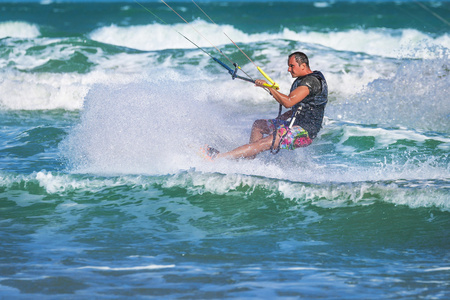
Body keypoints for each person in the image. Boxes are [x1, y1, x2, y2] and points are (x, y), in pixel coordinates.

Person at [202, 51, 328, 160]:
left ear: (303, 65)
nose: (289, 69)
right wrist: (283, 117)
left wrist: (268, 87)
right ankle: (249, 157)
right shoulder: (305, 80)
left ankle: (218, 158)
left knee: (265, 142)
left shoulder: (311, 81)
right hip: (294, 125)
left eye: (292, 66)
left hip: (305, 132)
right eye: (288, 66)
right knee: (259, 125)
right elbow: (302, 106)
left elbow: (289, 102)